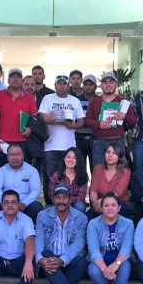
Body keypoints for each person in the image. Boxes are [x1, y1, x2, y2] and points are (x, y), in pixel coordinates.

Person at [35, 184, 88, 284]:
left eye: (64, 197)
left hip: (68, 260)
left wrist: (62, 260)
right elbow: (39, 240)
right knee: (45, 254)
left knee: (82, 262)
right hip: (50, 260)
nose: (61, 201)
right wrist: (40, 259)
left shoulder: (81, 218)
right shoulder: (42, 215)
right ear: (53, 199)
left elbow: (79, 244)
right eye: (57, 197)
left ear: (70, 199)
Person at [87, 193, 134, 284]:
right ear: (101, 208)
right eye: (106, 205)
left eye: (113, 205)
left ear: (119, 208)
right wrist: (105, 270)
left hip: (120, 260)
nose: (110, 208)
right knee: (93, 270)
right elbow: (94, 251)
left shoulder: (128, 223)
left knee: (126, 266)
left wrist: (116, 264)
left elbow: (126, 249)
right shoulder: (93, 224)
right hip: (101, 259)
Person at [38, 74, 85, 203]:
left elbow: (81, 121)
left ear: (68, 86)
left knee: (69, 177)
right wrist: (45, 117)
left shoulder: (74, 101)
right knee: (50, 176)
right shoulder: (47, 98)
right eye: (59, 83)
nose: (61, 86)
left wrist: (72, 125)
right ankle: (50, 203)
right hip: (50, 145)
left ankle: (68, 202)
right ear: (55, 85)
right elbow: (40, 116)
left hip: (69, 146)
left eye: (64, 84)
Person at [85, 71, 136, 168]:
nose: (108, 85)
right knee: (98, 170)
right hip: (98, 142)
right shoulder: (94, 102)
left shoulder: (123, 102)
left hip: (117, 141)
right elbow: (87, 120)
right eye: (105, 82)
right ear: (101, 85)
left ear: (116, 84)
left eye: (111, 82)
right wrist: (99, 124)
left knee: (119, 171)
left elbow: (133, 121)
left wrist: (124, 116)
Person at [0, 68, 38, 165]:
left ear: (22, 80)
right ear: (8, 80)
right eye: (12, 77)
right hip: (2, 141)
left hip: (22, 141)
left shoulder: (29, 97)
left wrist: (30, 129)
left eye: (18, 77)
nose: (15, 79)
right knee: (3, 168)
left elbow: (35, 119)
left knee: (22, 170)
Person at [0, 144, 43, 221]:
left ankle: (29, 227)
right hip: (4, 202)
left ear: (23, 156)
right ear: (7, 157)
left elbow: (35, 191)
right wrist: (6, 201)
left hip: (24, 203)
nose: (14, 158)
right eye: (11, 155)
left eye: (18, 154)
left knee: (37, 207)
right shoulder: (1, 170)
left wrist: (24, 203)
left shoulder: (32, 171)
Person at [88, 143, 132, 220]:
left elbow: (118, 192)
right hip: (99, 204)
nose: (110, 155)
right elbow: (93, 190)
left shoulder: (126, 171)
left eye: (114, 153)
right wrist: (95, 204)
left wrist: (102, 203)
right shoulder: (97, 169)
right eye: (108, 152)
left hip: (120, 203)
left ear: (120, 156)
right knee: (87, 217)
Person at [48, 148, 89, 213]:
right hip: (59, 203)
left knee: (80, 206)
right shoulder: (56, 175)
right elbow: (51, 194)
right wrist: (61, 201)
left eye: (74, 158)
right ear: (64, 159)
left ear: (78, 161)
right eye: (68, 157)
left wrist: (66, 200)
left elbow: (81, 197)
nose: (71, 160)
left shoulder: (82, 175)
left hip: (75, 205)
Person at [72, 74, 97, 172]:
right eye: (86, 84)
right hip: (79, 138)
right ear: (83, 86)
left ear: (95, 86)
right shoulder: (76, 101)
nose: (88, 87)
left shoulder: (100, 101)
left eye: (91, 84)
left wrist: (85, 120)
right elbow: (74, 119)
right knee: (79, 168)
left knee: (95, 168)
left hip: (95, 138)